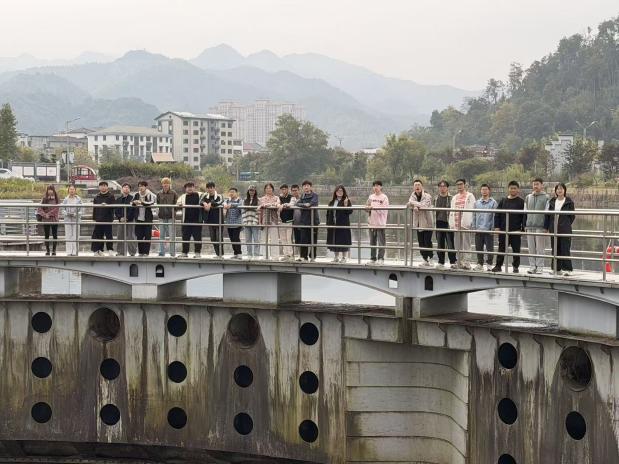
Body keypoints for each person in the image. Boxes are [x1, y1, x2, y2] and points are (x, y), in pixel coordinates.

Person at [492, 181, 526, 273]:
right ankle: (498, 266)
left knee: (516, 250)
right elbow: (497, 214)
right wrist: (497, 227)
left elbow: (524, 216)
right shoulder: (503, 201)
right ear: (508, 189)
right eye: (511, 188)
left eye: (515, 188)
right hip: (503, 229)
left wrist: (523, 229)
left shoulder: (521, 202)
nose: (513, 190)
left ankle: (515, 267)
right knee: (501, 248)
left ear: (518, 190)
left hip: (516, 230)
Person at [544, 183, 575, 276]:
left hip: (565, 229)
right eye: (558, 189)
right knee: (555, 249)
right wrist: (547, 227)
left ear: (564, 190)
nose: (559, 190)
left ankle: (567, 270)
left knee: (565, 249)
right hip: (554, 229)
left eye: (561, 189)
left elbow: (572, 216)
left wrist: (566, 224)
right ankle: (556, 269)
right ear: (555, 191)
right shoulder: (552, 201)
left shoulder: (569, 202)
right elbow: (547, 216)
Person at [449, 179, 476, 269]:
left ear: (465, 185)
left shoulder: (470, 196)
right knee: (457, 244)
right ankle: (459, 262)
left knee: (466, 244)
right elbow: (451, 211)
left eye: (461, 184)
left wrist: (471, 222)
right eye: (457, 184)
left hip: (465, 224)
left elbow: (473, 209)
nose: (459, 186)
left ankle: (467, 262)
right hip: (456, 224)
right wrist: (451, 223)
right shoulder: (455, 197)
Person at [525, 177, 549, 274]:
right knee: (531, 248)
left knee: (540, 248)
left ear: (542, 185)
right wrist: (525, 225)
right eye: (534, 184)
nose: (535, 186)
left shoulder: (546, 197)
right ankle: (532, 266)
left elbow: (547, 213)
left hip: (540, 226)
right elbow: (525, 212)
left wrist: (546, 227)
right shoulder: (528, 197)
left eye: (537, 184)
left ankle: (540, 267)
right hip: (529, 226)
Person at [407, 179, 433, 266]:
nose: (417, 186)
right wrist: (414, 205)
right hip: (418, 223)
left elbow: (424, 205)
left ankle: (431, 258)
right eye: (415, 185)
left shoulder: (427, 196)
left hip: (427, 223)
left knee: (427, 241)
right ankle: (425, 260)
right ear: (413, 187)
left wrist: (414, 205)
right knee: (421, 242)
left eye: (418, 185)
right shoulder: (412, 196)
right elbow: (408, 204)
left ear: (422, 186)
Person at [473, 184, 497, 271]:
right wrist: (474, 227)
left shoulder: (493, 202)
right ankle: (480, 264)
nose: (484, 191)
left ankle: (489, 264)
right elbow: (474, 215)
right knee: (478, 247)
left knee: (490, 248)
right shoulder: (476, 203)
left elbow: (494, 216)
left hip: (488, 229)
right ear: (480, 191)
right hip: (478, 229)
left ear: (489, 191)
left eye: (486, 189)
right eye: (482, 189)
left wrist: (493, 228)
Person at [326, 185, 352, 263]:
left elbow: (350, 212)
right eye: (338, 191)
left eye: (341, 191)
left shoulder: (346, 200)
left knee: (344, 240)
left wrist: (346, 205)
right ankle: (336, 257)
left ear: (344, 192)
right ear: (335, 192)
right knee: (335, 240)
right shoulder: (332, 202)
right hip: (333, 224)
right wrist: (328, 223)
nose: (339, 192)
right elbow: (328, 213)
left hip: (343, 224)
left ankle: (344, 257)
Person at [176, 182, 203, 258]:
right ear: (185, 189)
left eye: (191, 186)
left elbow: (206, 199)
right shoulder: (183, 196)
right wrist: (179, 205)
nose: (190, 188)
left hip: (197, 221)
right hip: (186, 220)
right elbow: (177, 204)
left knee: (197, 237)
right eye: (188, 187)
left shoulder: (200, 195)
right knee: (185, 237)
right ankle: (184, 253)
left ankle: (197, 253)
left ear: (194, 187)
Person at [365, 180, 389, 265]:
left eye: (377, 186)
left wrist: (373, 207)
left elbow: (384, 210)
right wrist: (368, 208)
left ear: (381, 187)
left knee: (381, 242)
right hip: (371, 223)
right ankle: (373, 258)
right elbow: (366, 207)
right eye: (374, 186)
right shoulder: (371, 197)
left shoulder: (384, 197)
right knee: (372, 242)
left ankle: (381, 258)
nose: (375, 187)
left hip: (380, 223)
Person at [435, 180, 457, 269]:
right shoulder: (436, 198)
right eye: (440, 186)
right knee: (440, 243)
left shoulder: (451, 198)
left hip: (448, 222)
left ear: (447, 188)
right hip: (438, 222)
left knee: (450, 243)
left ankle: (453, 261)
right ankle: (441, 262)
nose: (442, 188)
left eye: (444, 186)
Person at [296, 180, 320, 262]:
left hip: (313, 221)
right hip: (304, 221)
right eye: (304, 186)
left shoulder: (315, 195)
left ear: (310, 187)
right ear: (303, 187)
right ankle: (303, 257)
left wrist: (307, 205)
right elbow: (297, 204)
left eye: (307, 185)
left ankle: (312, 257)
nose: (306, 187)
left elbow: (311, 203)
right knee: (303, 239)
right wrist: (304, 205)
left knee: (313, 240)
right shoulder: (302, 196)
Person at [91, 181, 116, 256]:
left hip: (108, 218)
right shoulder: (97, 197)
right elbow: (95, 208)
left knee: (109, 235)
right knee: (98, 235)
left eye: (105, 185)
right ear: (99, 187)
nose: (103, 187)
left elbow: (114, 207)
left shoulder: (111, 196)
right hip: (99, 219)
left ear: (107, 187)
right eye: (101, 186)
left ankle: (110, 250)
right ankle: (99, 250)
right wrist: (94, 218)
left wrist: (107, 205)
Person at [133, 181, 156, 256]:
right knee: (139, 236)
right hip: (138, 219)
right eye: (139, 186)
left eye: (142, 186)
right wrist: (134, 203)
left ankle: (146, 252)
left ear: (146, 187)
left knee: (147, 236)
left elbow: (152, 202)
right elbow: (131, 203)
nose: (141, 187)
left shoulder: (150, 194)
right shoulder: (136, 194)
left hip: (148, 218)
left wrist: (142, 202)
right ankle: (140, 252)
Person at [258, 183, 281, 260]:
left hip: (273, 219)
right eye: (267, 188)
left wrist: (267, 205)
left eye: (270, 188)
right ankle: (265, 256)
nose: (268, 189)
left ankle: (275, 257)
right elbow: (261, 207)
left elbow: (277, 204)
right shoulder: (261, 199)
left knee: (274, 239)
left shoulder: (276, 197)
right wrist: (260, 222)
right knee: (264, 239)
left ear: (272, 189)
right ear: (265, 190)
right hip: (264, 220)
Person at [201, 182, 224, 257]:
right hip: (210, 220)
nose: (210, 189)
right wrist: (204, 203)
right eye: (208, 188)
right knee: (213, 238)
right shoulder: (205, 196)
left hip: (219, 220)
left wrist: (210, 203)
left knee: (218, 238)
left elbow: (220, 202)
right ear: (206, 189)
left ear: (214, 188)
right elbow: (200, 201)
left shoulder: (219, 196)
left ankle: (221, 254)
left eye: (211, 188)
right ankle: (218, 254)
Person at [156, 177, 178, 257]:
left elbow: (177, 204)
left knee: (172, 235)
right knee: (161, 235)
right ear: (162, 184)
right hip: (162, 216)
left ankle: (172, 253)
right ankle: (161, 252)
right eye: (164, 183)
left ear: (169, 184)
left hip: (171, 216)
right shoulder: (159, 193)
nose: (165, 185)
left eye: (167, 183)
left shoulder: (174, 193)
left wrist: (174, 211)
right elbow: (157, 204)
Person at [37, 185, 60, 256]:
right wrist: (44, 215)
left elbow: (57, 209)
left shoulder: (56, 199)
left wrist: (48, 214)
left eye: (51, 189)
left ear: (53, 190)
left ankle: (54, 250)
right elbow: (39, 209)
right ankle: (47, 250)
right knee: (46, 235)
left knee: (54, 235)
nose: (50, 191)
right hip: (46, 219)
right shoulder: (44, 199)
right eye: (49, 189)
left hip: (54, 219)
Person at [115, 183, 137, 257]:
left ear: (130, 190)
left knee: (131, 237)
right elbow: (116, 210)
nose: (126, 188)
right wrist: (120, 218)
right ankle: (120, 252)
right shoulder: (118, 199)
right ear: (122, 189)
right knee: (120, 236)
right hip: (121, 221)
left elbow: (134, 210)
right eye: (124, 187)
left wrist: (127, 218)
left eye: (128, 187)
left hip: (130, 220)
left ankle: (132, 253)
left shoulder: (133, 199)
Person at [61, 184, 82, 256]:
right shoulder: (65, 199)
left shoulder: (78, 199)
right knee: (68, 235)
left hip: (76, 219)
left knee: (76, 235)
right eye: (70, 189)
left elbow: (82, 210)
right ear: (68, 190)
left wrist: (76, 214)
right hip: (68, 219)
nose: (72, 190)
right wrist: (66, 213)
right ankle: (69, 251)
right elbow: (62, 209)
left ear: (75, 190)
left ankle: (75, 251)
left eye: (73, 189)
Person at [224, 187, 243, 259]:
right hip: (229, 223)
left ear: (236, 193)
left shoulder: (239, 200)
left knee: (236, 238)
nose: (231, 193)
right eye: (230, 192)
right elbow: (223, 203)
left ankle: (239, 253)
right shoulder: (227, 200)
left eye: (233, 192)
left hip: (237, 223)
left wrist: (231, 205)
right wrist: (225, 204)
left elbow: (240, 205)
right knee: (232, 239)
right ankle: (235, 253)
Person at [242, 185, 261, 258]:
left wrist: (255, 222)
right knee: (248, 240)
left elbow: (258, 212)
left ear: (255, 191)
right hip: (246, 223)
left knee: (256, 239)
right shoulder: (245, 200)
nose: (251, 192)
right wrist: (245, 221)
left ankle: (256, 254)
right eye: (250, 190)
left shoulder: (258, 200)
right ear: (248, 191)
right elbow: (243, 211)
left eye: (253, 190)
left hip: (254, 223)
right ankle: (249, 253)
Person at [278, 184, 294, 261]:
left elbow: (291, 204)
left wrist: (283, 205)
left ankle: (290, 255)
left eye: (285, 189)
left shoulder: (292, 197)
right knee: (283, 239)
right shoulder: (279, 197)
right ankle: (285, 255)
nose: (283, 191)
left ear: (288, 189)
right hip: (281, 221)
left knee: (288, 239)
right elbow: (277, 204)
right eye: (282, 189)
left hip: (289, 221)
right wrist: (279, 205)